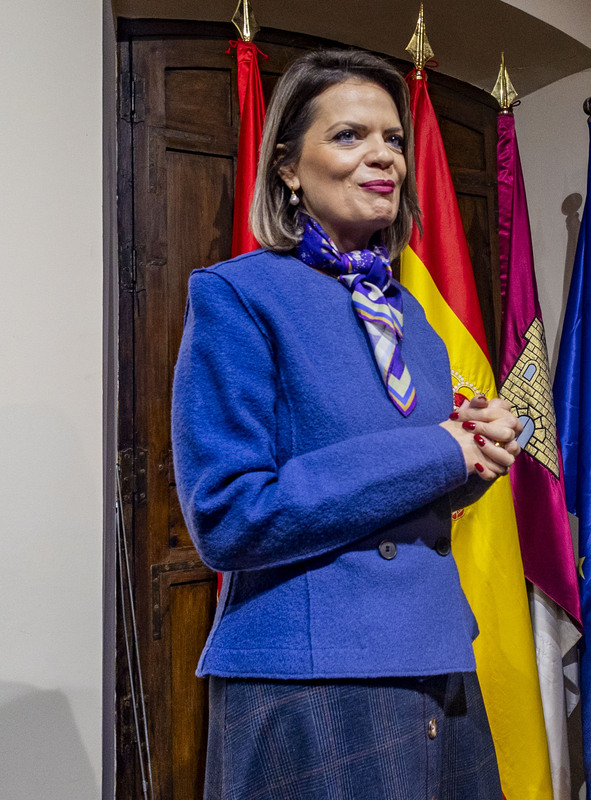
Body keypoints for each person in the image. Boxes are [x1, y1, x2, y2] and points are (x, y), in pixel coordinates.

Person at [171, 49, 519, 799]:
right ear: (289, 168)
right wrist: (438, 451)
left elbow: (415, 493)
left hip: (439, 652)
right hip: (314, 674)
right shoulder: (238, 295)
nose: (384, 156)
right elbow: (229, 515)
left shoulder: (414, 317)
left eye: (394, 138)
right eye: (350, 136)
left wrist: (475, 461)